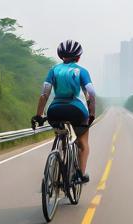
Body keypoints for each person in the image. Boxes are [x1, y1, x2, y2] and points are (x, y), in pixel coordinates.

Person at [32, 40, 96, 184]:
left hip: (55, 110)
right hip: (77, 110)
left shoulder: (53, 70)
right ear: (78, 57)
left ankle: (61, 155)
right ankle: (80, 174)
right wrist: (91, 114)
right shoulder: (82, 71)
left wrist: (39, 115)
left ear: (60, 55)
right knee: (82, 142)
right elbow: (91, 93)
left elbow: (44, 94)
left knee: (62, 133)